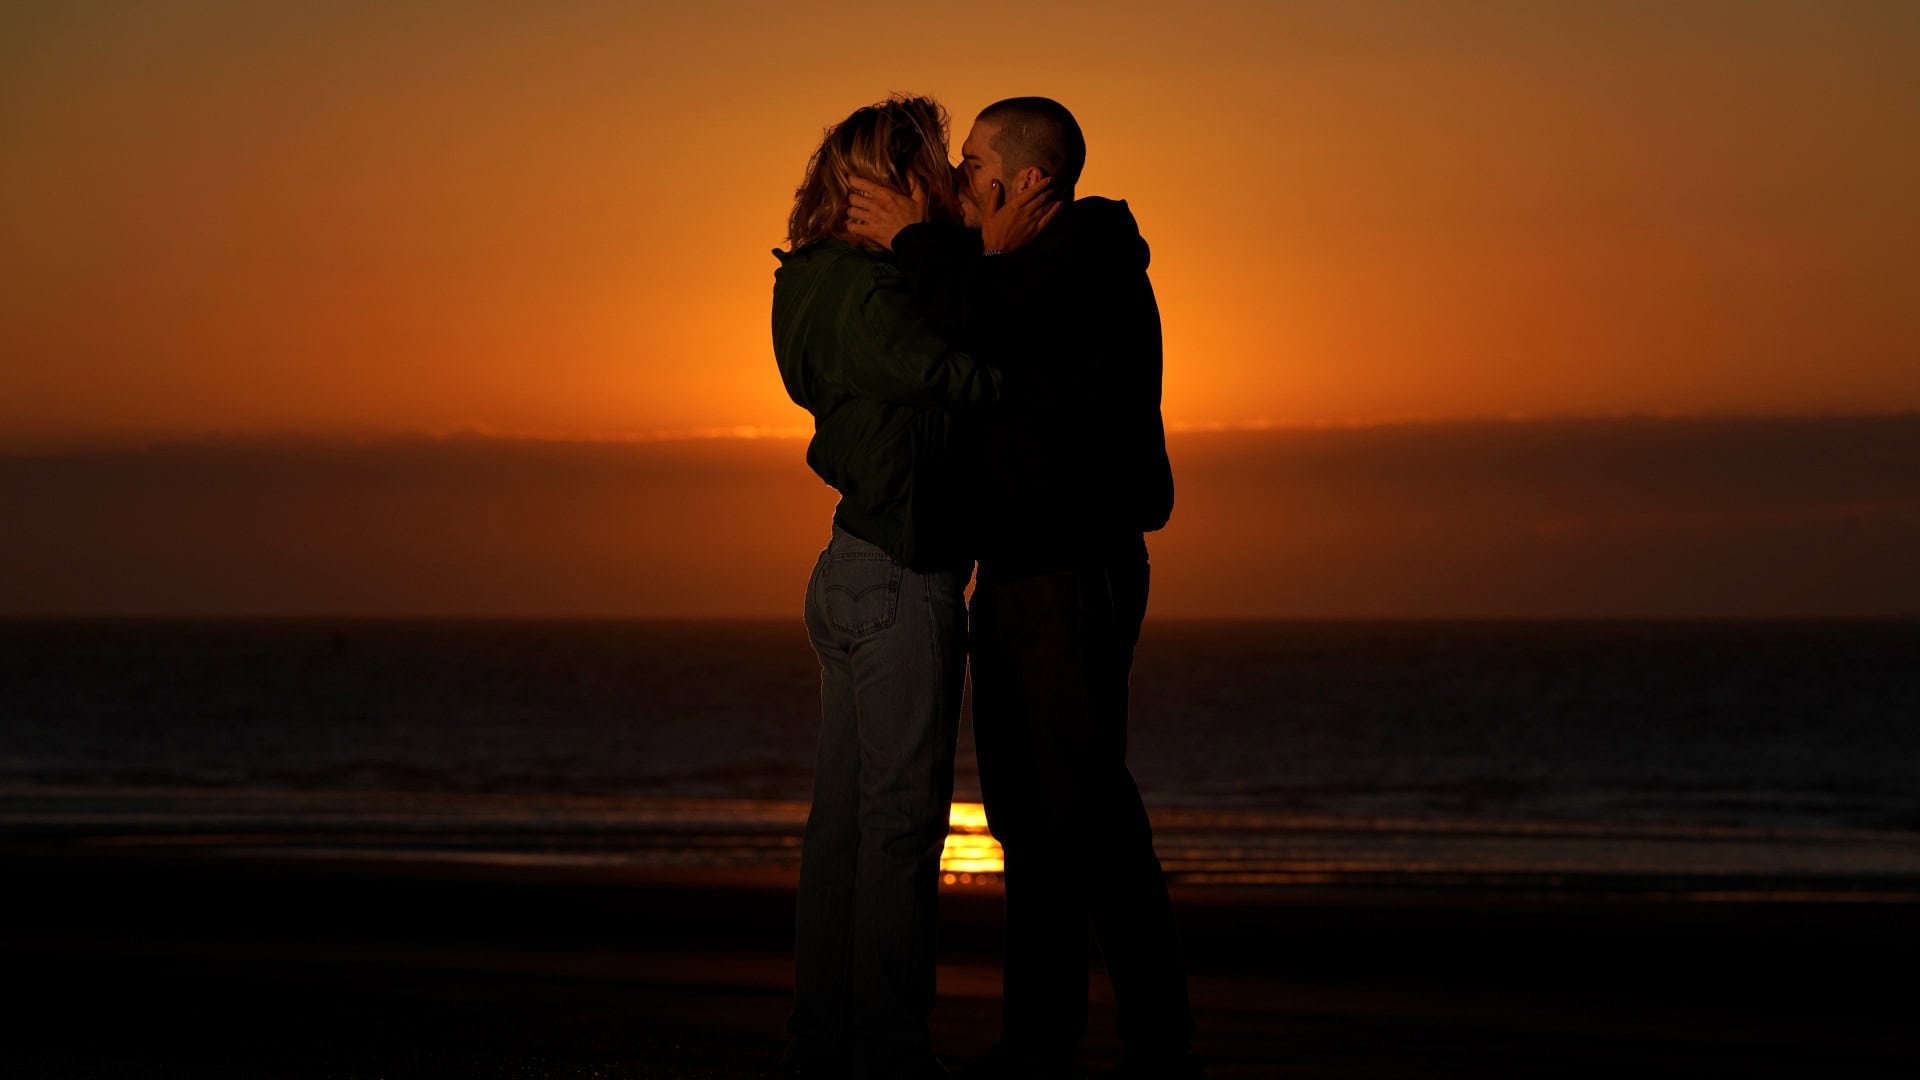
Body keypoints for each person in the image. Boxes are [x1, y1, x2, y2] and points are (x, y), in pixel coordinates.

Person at [847, 97, 1199, 1080]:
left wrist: (915, 236)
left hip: (1068, 572)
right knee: (1030, 825)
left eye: (973, 164)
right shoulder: (1031, 270)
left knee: (1087, 815)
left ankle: (1157, 1046)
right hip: (1021, 573)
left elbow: (986, 312)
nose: (962, 181)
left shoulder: (1085, 259)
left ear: (1028, 180)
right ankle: (1044, 1042)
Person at [771, 94, 1054, 1080]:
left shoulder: (807, 283)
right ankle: (887, 1050)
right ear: (896, 176)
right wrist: (986, 269)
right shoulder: (873, 294)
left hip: (849, 569)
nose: (951, 180)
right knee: (898, 832)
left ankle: (822, 1040)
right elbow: (975, 377)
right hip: (900, 574)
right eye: (936, 163)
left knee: (844, 828)